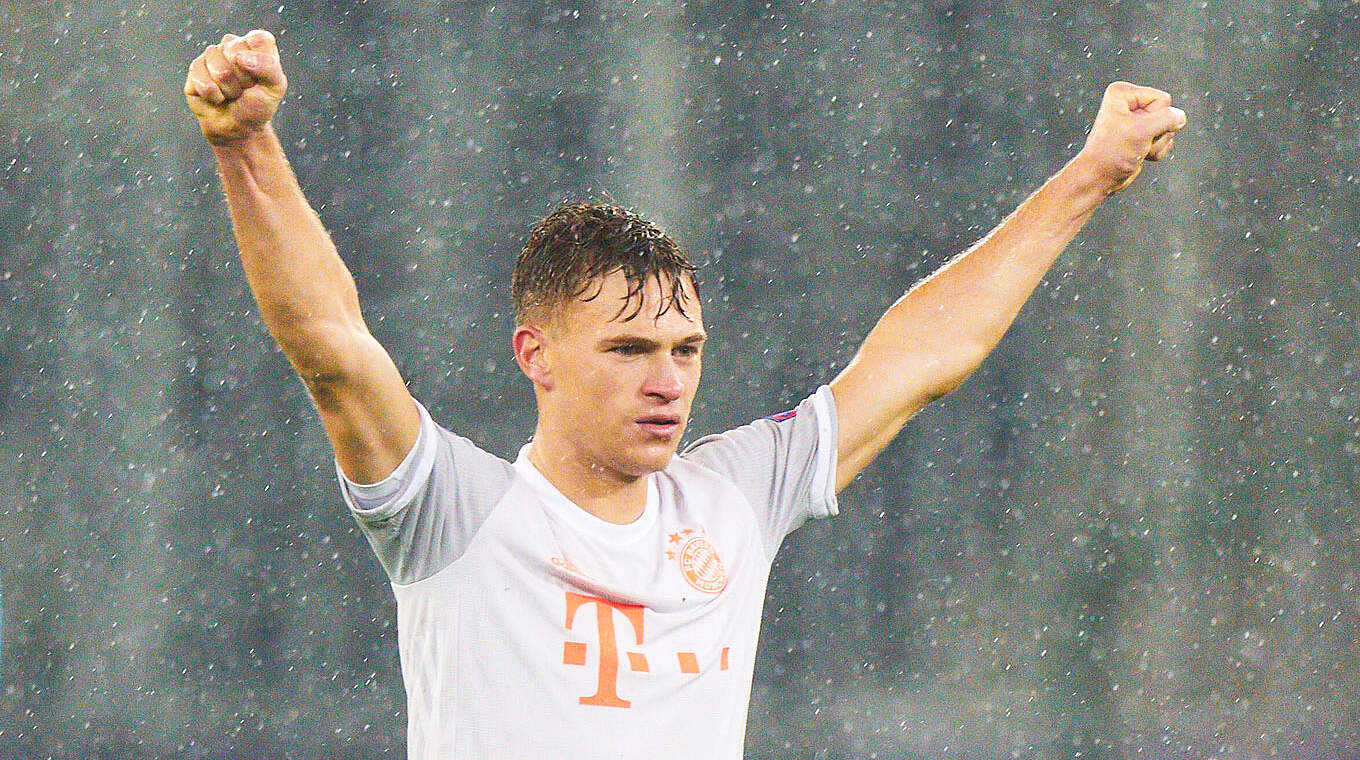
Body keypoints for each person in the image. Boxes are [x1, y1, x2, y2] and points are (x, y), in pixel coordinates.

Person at [184, 29, 1185, 760]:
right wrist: (246, 146)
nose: (667, 382)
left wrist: (1092, 173)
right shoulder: (454, 511)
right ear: (535, 354)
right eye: (628, 349)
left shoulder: (731, 498)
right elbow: (332, 348)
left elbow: (924, 357)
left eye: (686, 349)